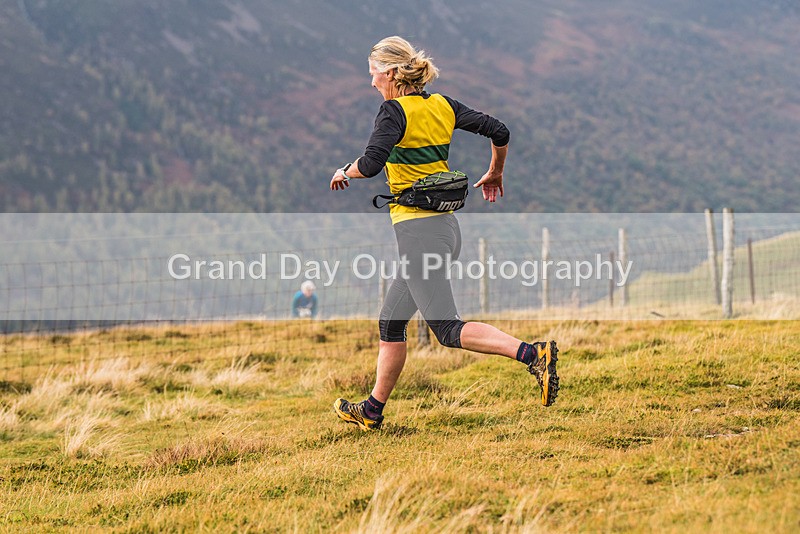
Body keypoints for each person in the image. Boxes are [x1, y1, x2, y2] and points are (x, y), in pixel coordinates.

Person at [329, 36, 559, 430]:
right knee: (391, 324)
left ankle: (534, 355)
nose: (371, 83)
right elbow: (499, 130)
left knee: (447, 329)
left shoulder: (392, 113)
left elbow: (369, 166)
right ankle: (371, 410)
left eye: (373, 74)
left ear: (391, 73)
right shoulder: (443, 105)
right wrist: (497, 170)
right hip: (444, 230)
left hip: (419, 233)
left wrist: (343, 171)